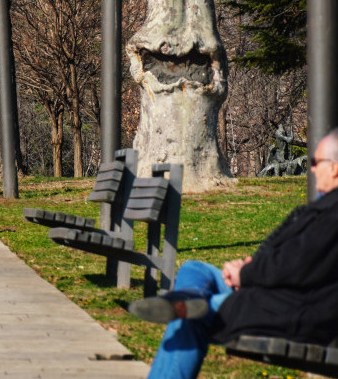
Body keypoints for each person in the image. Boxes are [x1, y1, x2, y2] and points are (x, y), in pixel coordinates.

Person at [129, 127, 338, 379]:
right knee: (194, 268)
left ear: (335, 168)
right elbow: (294, 256)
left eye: (316, 162)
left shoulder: (332, 213)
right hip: (274, 290)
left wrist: (246, 274)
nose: (312, 169)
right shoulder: (326, 208)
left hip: (294, 309)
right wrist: (249, 266)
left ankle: (189, 301)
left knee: (195, 313)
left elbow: (296, 263)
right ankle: (191, 296)